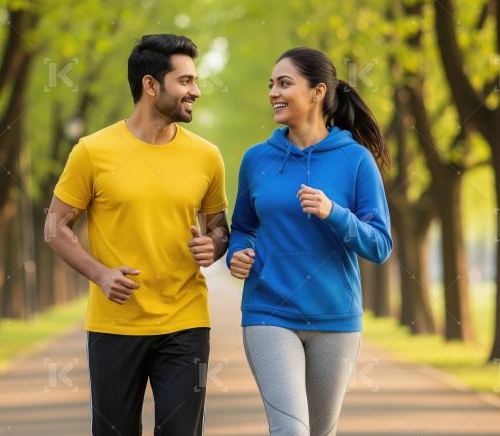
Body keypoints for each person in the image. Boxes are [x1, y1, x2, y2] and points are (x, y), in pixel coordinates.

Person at [45, 34, 230, 436]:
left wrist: (213, 245)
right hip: (115, 324)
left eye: (195, 81)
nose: (196, 91)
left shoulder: (207, 156)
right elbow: (55, 227)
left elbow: (219, 227)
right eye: (185, 81)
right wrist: (100, 274)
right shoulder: (92, 151)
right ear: (151, 85)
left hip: (186, 322)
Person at [226, 47, 393, 436]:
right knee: (290, 430)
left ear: (318, 92)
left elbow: (380, 245)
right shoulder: (256, 159)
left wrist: (334, 212)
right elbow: (243, 226)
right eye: (271, 84)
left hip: (334, 317)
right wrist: (237, 253)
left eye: (285, 83)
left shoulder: (356, 160)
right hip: (269, 313)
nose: (274, 93)